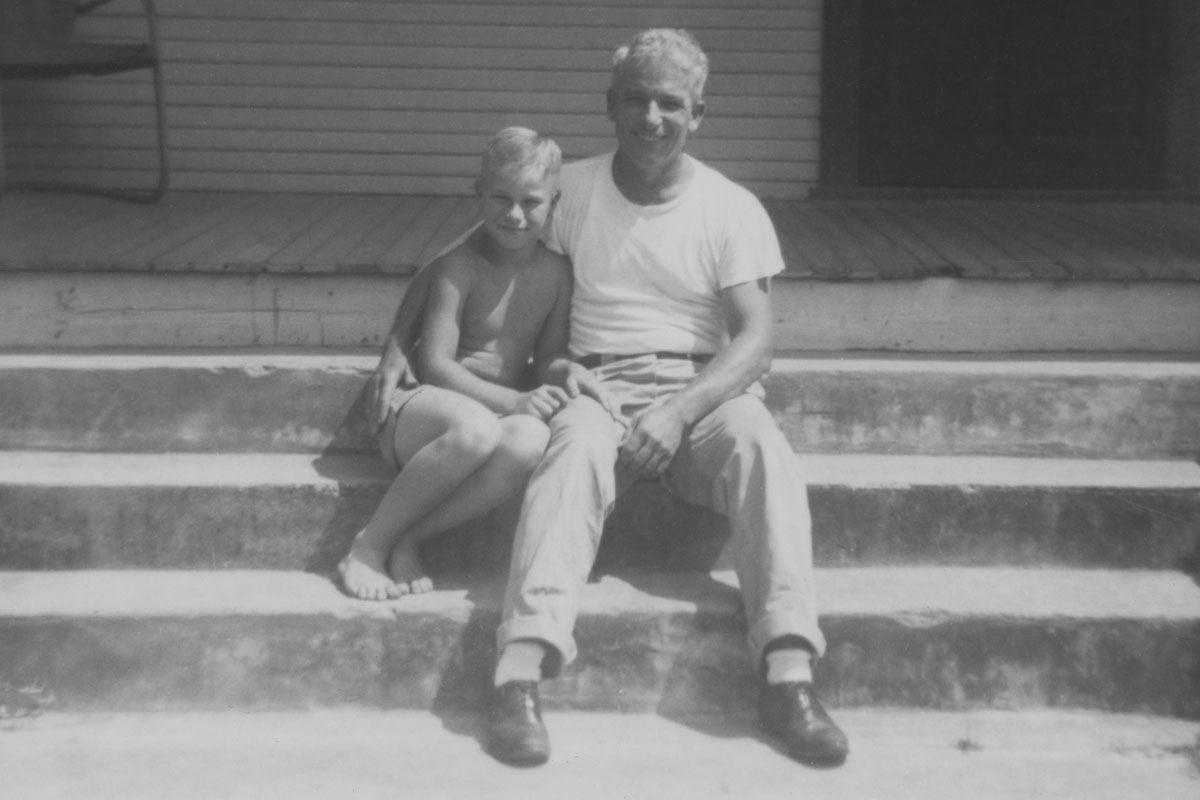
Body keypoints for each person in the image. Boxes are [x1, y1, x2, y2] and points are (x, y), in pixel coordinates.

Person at [481, 29, 850, 768]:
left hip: (702, 392)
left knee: (764, 450)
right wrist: (407, 346)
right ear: (611, 105)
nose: (653, 117)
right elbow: (487, 252)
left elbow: (755, 341)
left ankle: (787, 673)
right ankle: (518, 672)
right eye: (637, 100)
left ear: (699, 114)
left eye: (671, 104)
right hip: (596, 382)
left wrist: (680, 410)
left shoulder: (730, 206)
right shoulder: (571, 190)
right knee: (574, 450)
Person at [340, 126, 612, 601]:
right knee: (480, 430)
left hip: (486, 420)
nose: (514, 214)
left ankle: (413, 533)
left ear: (554, 202)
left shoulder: (556, 274)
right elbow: (437, 364)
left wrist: (563, 370)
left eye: (531, 202)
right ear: (478, 195)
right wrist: (516, 398)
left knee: (530, 439)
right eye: (500, 198)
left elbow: (546, 355)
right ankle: (367, 546)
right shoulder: (457, 268)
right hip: (420, 416)